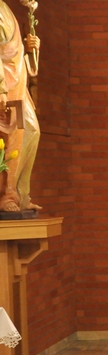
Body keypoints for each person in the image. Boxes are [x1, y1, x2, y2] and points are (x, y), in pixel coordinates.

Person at [0, 0, 40, 212]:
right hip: (7, 86)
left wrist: (31, 49)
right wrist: (0, 89)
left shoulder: (6, 10)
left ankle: (21, 193)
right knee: (12, 139)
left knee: (32, 131)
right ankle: (7, 194)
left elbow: (14, 55)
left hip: (18, 83)